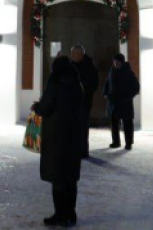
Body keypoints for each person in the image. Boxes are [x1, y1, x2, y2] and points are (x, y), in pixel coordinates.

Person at [33, 55, 84, 227]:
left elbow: (45, 107)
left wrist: (36, 107)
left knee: (58, 178)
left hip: (56, 138)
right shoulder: (77, 85)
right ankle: (70, 214)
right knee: (70, 177)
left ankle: (60, 215)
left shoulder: (54, 84)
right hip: (73, 136)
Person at [103, 52, 139, 151]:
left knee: (127, 123)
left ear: (122, 62)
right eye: (114, 61)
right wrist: (105, 93)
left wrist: (128, 96)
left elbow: (136, 87)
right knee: (114, 123)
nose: (115, 63)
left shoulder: (128, 72)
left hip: (125, 103)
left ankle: (128, 143)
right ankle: (116, 142)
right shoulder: (112, 71)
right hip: (113, 102)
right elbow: (107, 82)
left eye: (117, 62)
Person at [68, 44, 99, 158]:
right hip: (70, 104)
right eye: (73, 53)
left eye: (77, 53)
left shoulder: (89, 66)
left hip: (84, 103)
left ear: (82, 54)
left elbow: (94, 83)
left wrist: (83, 88)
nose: (74, 55)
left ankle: (82, 151)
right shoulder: (69, 65)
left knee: (82, 127)